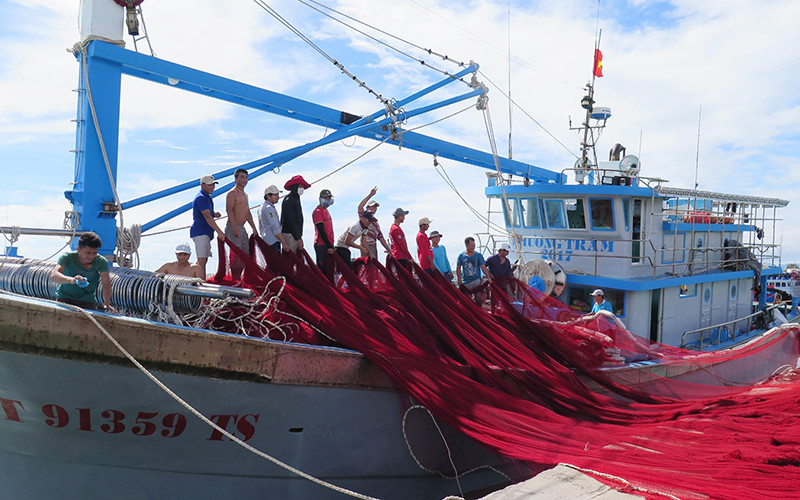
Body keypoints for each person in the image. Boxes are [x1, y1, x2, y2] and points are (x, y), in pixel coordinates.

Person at [50, 232, 116, 313]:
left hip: (88, 302)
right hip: (65, 299)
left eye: (94, 253)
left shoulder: (101, 261)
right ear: (79, 250)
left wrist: (107, 303)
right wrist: (72, 280)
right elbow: (54, 275)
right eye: (88, 253)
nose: (91, 256)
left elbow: (106, 283)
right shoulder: (67, 257)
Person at [225, 168, 259, 281]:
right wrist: (234, 226)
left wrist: (254, 228)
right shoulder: (232, 193)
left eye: (246, 177)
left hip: (242, 227)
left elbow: (247, 212)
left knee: (245, 255)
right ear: (236, 178)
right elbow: (229, 210)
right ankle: (235, 280)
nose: (244, 180)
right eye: (242, 177)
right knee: (236, 256)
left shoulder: (245, 195)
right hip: (233, 226)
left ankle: (240, 280)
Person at [190, 174, 226, 278]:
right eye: (210, 185)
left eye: (213, 185)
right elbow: (207, 216)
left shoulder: (207, 197)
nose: (212, 187)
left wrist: (214, 214)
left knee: (202, 260)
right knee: (202, 260)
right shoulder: (201, 198)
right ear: (202, 185)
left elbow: (207, 213)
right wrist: (219, 231)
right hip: (200, 231)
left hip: (204, 232)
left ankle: (196, 280)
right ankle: (201, 284)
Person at [457, 236, 493, 304]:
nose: (473, 247)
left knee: (478, 298)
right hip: (466, 282)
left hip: (476, 280)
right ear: (466, 245)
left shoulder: (478, 255)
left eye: (474, 245)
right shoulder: (461, 256)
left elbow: (483, 267)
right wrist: (459, 280)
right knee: (465, 300)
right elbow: (458, 268)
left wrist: (488, 277)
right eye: (471, 246)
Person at [357, 187, 391, 258]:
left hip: (374, 245)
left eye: (375, 207)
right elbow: (360, 207)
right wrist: (370, 195)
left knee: (374, 267)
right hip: (366, 244)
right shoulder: (364, 216)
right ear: (367, 208)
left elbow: (381, 237)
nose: (374, 209)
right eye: (372, 207)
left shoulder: (375, 221)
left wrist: (389, 250)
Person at [281, 174, 311, 254]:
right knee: (290, 259)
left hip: (294, 234)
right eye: (300, 186)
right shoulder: (290, 200)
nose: (302, 188)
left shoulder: (295, 199)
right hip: (290, 235)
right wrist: (298, 238)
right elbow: (291, 220)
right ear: (295, 186)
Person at [258, 184, 288, 253]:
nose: (278, 197)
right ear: (268, 196)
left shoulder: (261, 208)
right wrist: (284, 242)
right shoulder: (269, 209)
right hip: (272, 242)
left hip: (265, 240)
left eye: (277, 194)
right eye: (275, 194)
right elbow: (274, 227)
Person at [313, 188, 336, 271]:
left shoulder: (325, 210)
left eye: (329, 198)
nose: (328, 200)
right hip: (321, 244)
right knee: (322, 269)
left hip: (329, 243)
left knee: (329, 268)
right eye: (326, 198)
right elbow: (321, 230)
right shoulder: (318, 211)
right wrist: (328, 245)